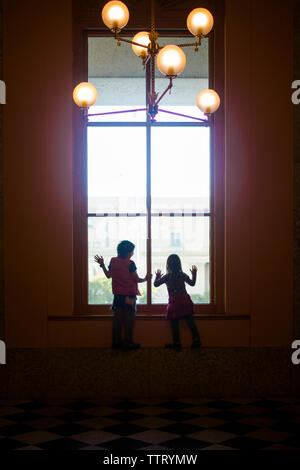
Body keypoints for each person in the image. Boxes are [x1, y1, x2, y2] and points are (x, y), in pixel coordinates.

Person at [94, 240, 151, 350]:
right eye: (132, 251)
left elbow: (108, 275)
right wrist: (145, 279)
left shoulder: (113, 261)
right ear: (128, 252)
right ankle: (128, 342)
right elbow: (136, 279)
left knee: (118, 320)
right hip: (129, 296)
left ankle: (116, 342)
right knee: (129, 319)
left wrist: (102, 264)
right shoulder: (130, 263)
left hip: (118, 296)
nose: (133, 253)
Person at [154, 254, 202, 350]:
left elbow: (156, 284)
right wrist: (194, 274)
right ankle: (197, 340)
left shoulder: (167, 277)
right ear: (179, 264)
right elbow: (192, 283)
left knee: (174, 322)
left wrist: (157, 276)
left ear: (168, 265)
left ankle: (177, 342)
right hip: (184, 299)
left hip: (175, 301)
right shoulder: (182, 275)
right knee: (190, 321)